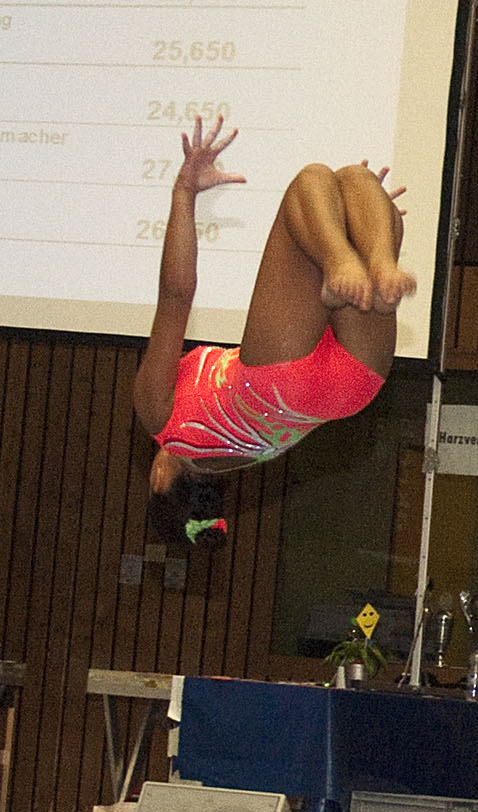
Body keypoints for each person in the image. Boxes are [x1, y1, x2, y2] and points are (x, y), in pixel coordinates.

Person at [133, 117, 416, 550]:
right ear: (158, 480)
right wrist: (183, 192)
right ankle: (351, 256)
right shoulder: (161, 421)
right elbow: (175, 298)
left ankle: (376, 256)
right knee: (313, 181)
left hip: (352, 390)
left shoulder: (248, 458)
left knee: (354, 184)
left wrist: (359, 224)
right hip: (273, 381)